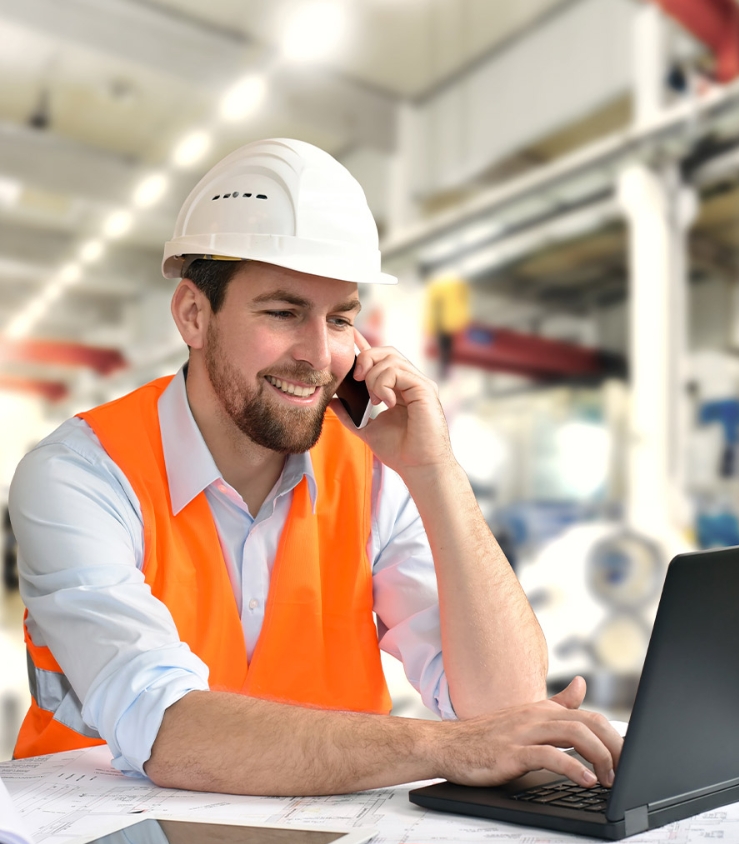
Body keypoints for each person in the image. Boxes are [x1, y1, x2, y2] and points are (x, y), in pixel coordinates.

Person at [10, 138, 622, 795]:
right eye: (283, 312)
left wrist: (435, 470)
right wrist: (442, 747)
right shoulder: (82, 475)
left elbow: (504, 710)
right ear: (193, 313)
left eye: (339, 319)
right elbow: (167, 731)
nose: (318, 354)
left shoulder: (377, 473)